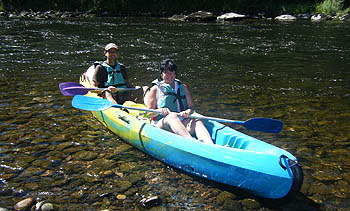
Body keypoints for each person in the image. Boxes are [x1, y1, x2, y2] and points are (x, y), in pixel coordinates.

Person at [145, 59, 213, 144]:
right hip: (161, 124)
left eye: (172, 72)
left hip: (180, 121)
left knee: (196, 121)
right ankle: (191, 142)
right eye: (166, 72)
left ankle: (211, 145)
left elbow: (192, 107)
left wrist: (188, 111)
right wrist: (159, 111)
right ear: (162, 74)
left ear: (175, 74)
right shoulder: (155, 89)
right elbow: (148, 113)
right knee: (172, 116)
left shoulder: (183, 87)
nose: (170, 75)